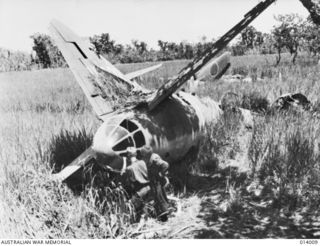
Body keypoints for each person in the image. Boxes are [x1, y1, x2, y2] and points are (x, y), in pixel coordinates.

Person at [139, 146, 170, 222]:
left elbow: (165, 165)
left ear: (146, 154)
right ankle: (162, 213)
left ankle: (164, 217)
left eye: (143, 153)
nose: (141, 154)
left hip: (157, 181)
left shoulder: (154, 159)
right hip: (153, 180)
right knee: (157, 197)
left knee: (159, 197)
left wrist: (161, 174)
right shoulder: (149, 158)